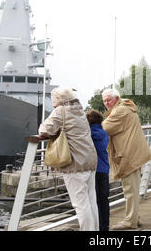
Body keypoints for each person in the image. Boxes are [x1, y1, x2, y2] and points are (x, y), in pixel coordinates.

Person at [38, 87, 99, 231]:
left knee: (80, 204)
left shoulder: (61, 111)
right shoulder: (80, 111)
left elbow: (44, 130)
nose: (53, 104)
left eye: (54, 100)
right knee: (91, 200)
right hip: (89, 160)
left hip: (75, 163)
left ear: (60, 100)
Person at [101, 88, 151, 230]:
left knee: (130, 189)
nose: (106, 103)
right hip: (134, 153)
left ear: (116, 98)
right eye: (104, 100)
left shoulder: (119, 111)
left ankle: (130, 221)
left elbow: (104, 128)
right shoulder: (126, 108)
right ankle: (135, 217)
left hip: (129, 155)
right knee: (132, 189)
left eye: (109, 100)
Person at [86, 109, 110, 231]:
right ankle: (105, 226)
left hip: (93, 169)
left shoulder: (87, 134)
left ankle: (97, 225)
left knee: (94, 199)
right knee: (104, 198)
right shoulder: (104, 133)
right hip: (105, 169)